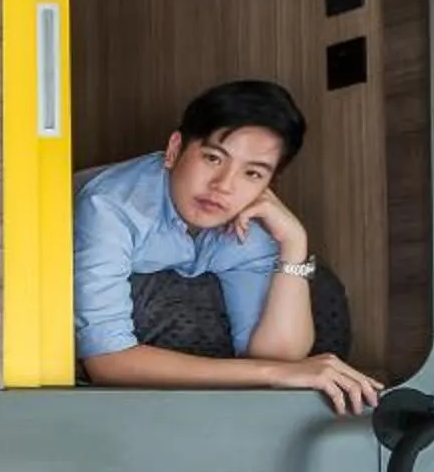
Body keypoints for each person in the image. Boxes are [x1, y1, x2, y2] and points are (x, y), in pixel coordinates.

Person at [71, 78, 381, 416]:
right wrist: (274, 375)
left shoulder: (252, 223)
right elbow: (106, 360)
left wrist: (294, 243)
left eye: (252, 173)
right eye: (213, 158)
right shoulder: (108, 207)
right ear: (174, 150)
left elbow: (280, 354)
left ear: (268, 185)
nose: (223, 186)